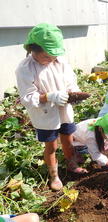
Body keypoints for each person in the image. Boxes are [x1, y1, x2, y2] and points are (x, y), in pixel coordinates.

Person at [15, 23, 87, 191]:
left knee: (68, 139)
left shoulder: (60, 62)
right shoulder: (25, 68)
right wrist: (48, 96)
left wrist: (73, 92)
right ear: (33, 49)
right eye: (46, 56)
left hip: (64, 110)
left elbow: (71, 81)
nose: (51, 59)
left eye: (53, 55)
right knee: (51, 146)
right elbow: (27, 98)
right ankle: (54, 175)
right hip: (45, 115)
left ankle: (71, 162)